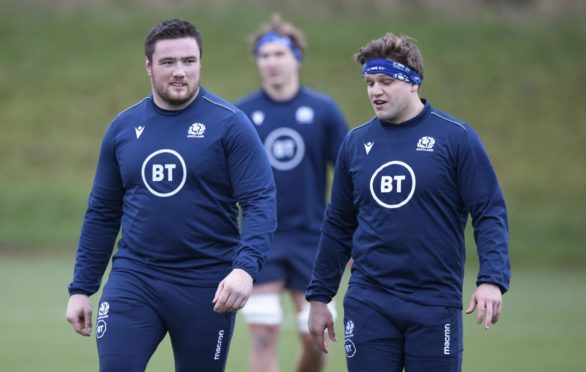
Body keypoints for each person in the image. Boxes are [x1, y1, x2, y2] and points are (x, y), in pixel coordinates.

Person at [65, 19, 277, 372]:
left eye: (189, 61)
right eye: (168, 63)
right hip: (134, 279)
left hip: (206, 286)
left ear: (200, 64)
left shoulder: (230, 124)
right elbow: (102, 212)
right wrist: (81, 288)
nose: (180, 72)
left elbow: (260, 202)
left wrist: (244, 269)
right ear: (148, 66)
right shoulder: (122, 128)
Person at [306, 33, 511, 372]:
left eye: (386, 81)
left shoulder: (456, 137)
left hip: (434, 302)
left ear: (414, 83)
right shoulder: (355, 144)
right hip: (369, 300)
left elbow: (489, 211)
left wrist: (491, 278)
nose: (375, 91)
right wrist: (319, 297)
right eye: (370, 82)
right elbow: (338, 225)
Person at [235, 15, 348, 372]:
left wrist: (352, 237)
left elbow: (351, 178)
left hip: (313, 239)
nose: (271, 62)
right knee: (263, 334)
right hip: (261, 238)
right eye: (264, 55)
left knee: (316, 340)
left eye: (278, 54)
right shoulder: (242, 113)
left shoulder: (322, 110)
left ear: (296, 57)